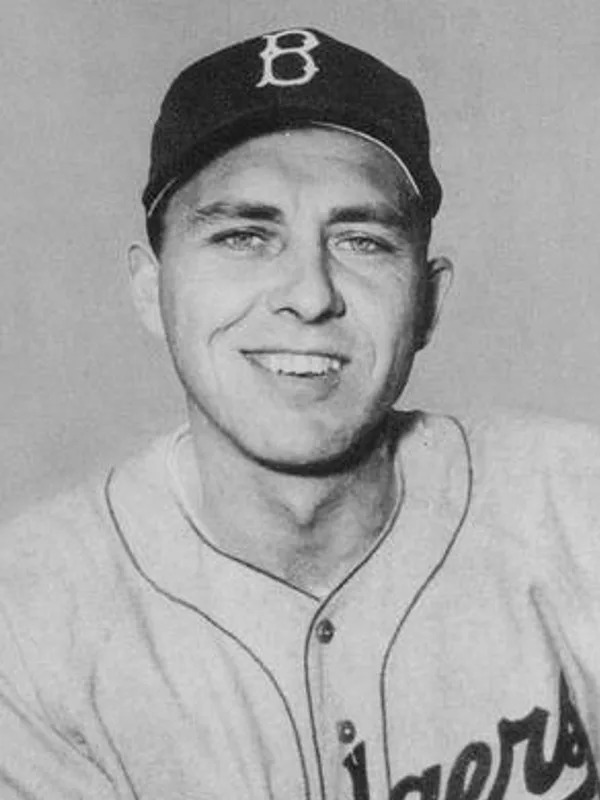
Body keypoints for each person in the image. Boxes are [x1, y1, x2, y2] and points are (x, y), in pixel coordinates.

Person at [0, 26, 599, 800]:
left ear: (428, 301)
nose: (310, 295)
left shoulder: (577, 510)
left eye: (362, 241)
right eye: (244, 236)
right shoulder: (28, 617)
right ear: (152, 289)